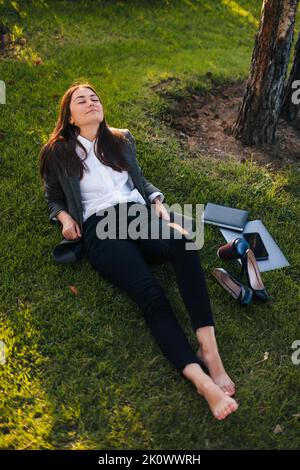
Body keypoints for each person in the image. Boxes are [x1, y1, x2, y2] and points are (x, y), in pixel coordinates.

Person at [39, 82, 238, 420]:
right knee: (151, 295)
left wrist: (157, 201)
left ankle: (210, 352)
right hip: (101, 228)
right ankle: (201, 381)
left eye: (95, 98)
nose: (90, 104)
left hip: (137, 215)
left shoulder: (121, 139)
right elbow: (53, 196)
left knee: (184, 242)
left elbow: (139, 182)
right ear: (70, 118)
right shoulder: (57, 153)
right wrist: (63, 218)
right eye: (81, 101)